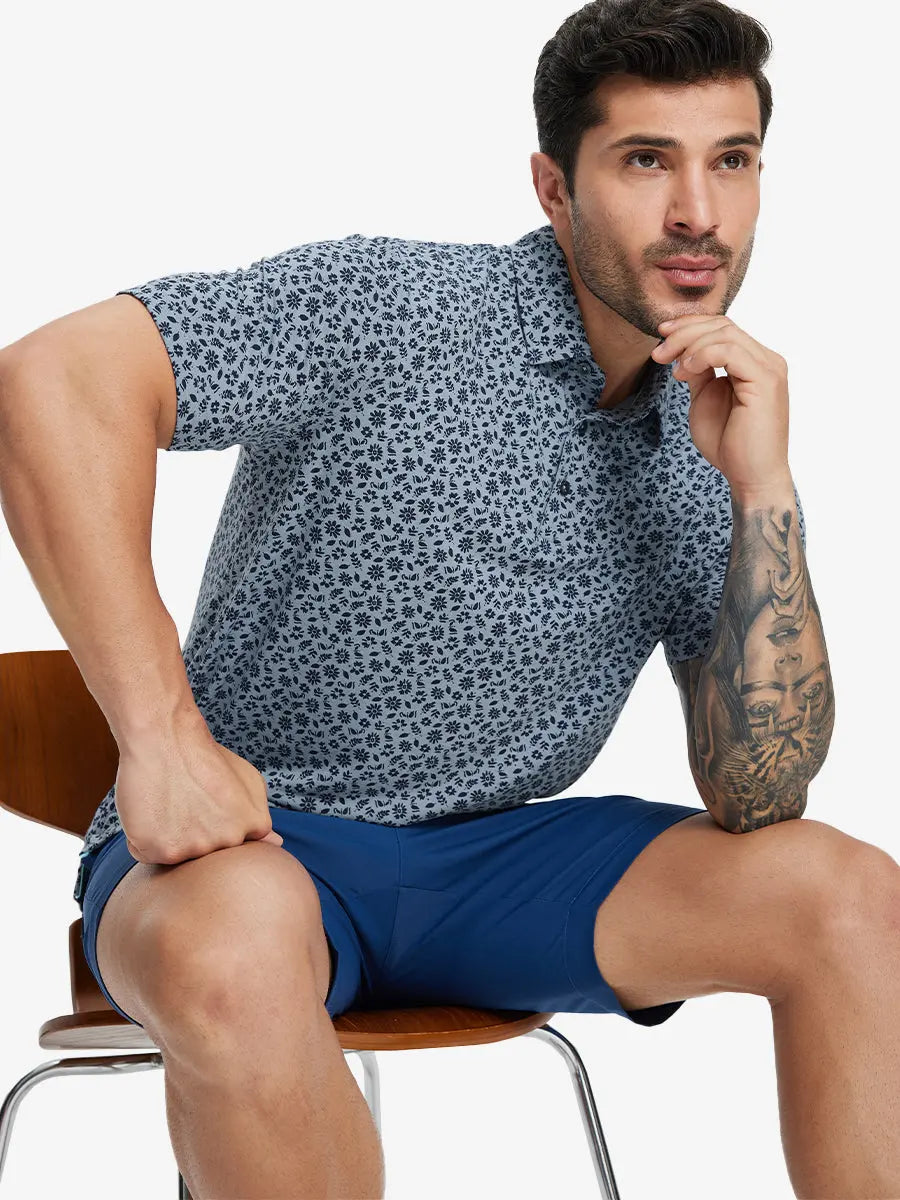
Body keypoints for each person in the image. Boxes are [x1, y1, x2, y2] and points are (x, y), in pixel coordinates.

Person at [0, 1, 897, 1197]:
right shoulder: (389, 305)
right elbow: (51, 380)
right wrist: (160, 740)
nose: (699, 212)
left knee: (847, 898)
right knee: (233, 953)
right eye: (646, 161)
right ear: (553, 187)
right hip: (254, 842)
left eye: (731, 161)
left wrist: (764, 492)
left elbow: (760, 793)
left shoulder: (711, 430)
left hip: (496, 864)